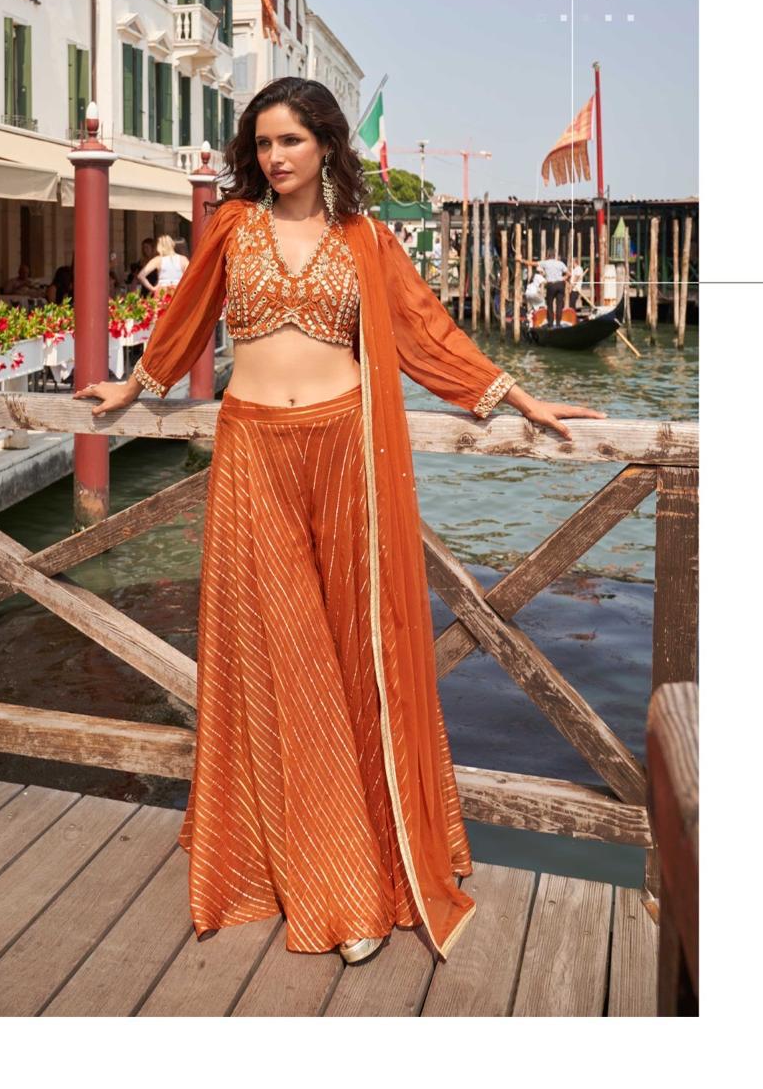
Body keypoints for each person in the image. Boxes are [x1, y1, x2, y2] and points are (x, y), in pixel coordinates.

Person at [74, 77, 605, 967]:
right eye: (263, 144)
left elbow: (427, 334)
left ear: (324, 143)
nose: (274, 158)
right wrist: (134, 386)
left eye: (290, 141)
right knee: (287, 655)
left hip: (346, 452)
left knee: (353, 652)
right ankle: (336, 885)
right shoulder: (232, 229)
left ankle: (354, 856)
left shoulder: (364, 239)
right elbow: (186, 320)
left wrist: (520, 396)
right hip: (252, 453)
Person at [527, 253, 569, 327]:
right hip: (560, 284)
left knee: (550, 305)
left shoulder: (546, 263)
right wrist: (563, 278)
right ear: (554, 256)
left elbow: (532, 263)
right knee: (559, 305)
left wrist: (521, 260)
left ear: (548, 256)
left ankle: (550, 324)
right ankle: (558, 324)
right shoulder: (560, 263)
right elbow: (569, 274)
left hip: (551, 285)